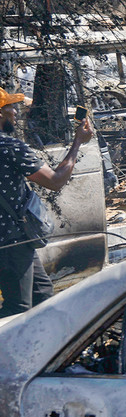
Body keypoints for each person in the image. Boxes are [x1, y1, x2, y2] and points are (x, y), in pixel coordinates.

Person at [0, 88, 94, 317]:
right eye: (9, 107)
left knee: (42, 294)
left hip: (16, 239)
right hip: (11, 241)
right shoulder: (9, 147)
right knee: (18, 307)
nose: (15, 112)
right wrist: (77, 143)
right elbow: (55, 181)